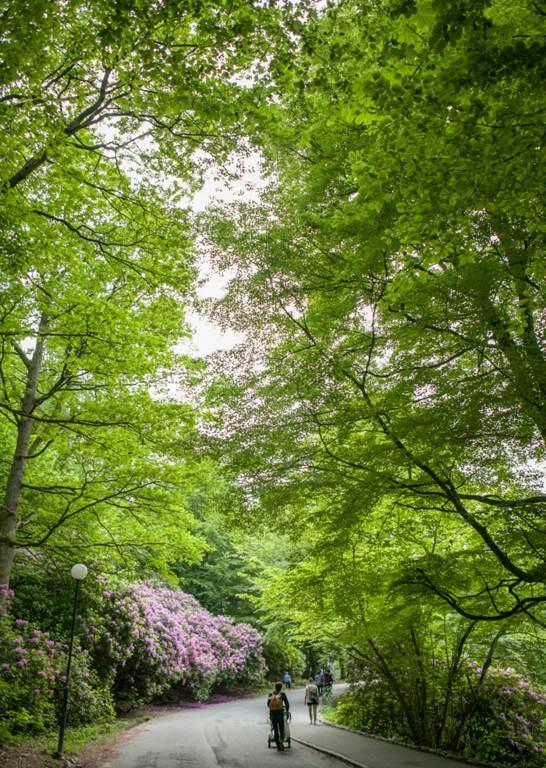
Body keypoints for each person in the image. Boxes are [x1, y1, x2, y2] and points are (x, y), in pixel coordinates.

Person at [267, 681, 290, 750]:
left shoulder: (271, 694)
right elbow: (287, 704)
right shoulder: (282, 694)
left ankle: (278, 746)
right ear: (281, 687)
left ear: (275, 687)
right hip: (280, 714)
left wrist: (272, 709)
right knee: (281, 728)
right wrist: (287, 711)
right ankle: (281, 741)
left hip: (273, 714)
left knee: (275, 729)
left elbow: (268, 704)